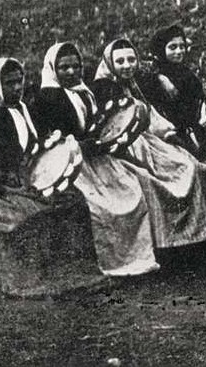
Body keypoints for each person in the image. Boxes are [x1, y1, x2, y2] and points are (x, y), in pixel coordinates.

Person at [0, 58, 106, 295]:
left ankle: (72, 269)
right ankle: (26, 281)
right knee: (29, 213)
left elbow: (32, 146)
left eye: (19, 82)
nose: (17, 88)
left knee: (74, 200)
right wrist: (5, 180)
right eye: (9, 83)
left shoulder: (21, 109)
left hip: (22, 176)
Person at [32, 42, 158, 277]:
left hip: (97, 158)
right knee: (101, 207)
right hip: (72, 164)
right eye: (63, 68)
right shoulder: (47, 97)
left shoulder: (84, 91)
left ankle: (137, 256)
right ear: (52, 69)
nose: (71, 72)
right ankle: (113, 262)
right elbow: (46, 140)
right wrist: (80, 145)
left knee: (131, 189)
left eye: (75, 66)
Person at [92, 38, 206, 251]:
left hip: (149, 138)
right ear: (110, 63)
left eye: (131, 59)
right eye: (120, 61)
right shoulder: (104, 88)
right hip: (127, 144)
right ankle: (167, 242)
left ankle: (191, 237)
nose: (127, 65)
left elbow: (153, 115)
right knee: (173, 172)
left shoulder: (135, 83)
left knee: (190, 164)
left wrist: (169, 133)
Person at [140, 25, 206, 173]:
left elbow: (201, 107)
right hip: (168, 137)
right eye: (172, 47)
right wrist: (159, 77)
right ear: (161, 50)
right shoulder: (151, 80)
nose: (179, 52)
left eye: (182, 47)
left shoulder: (188, 75)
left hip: (196, 133)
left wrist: (203, 132)